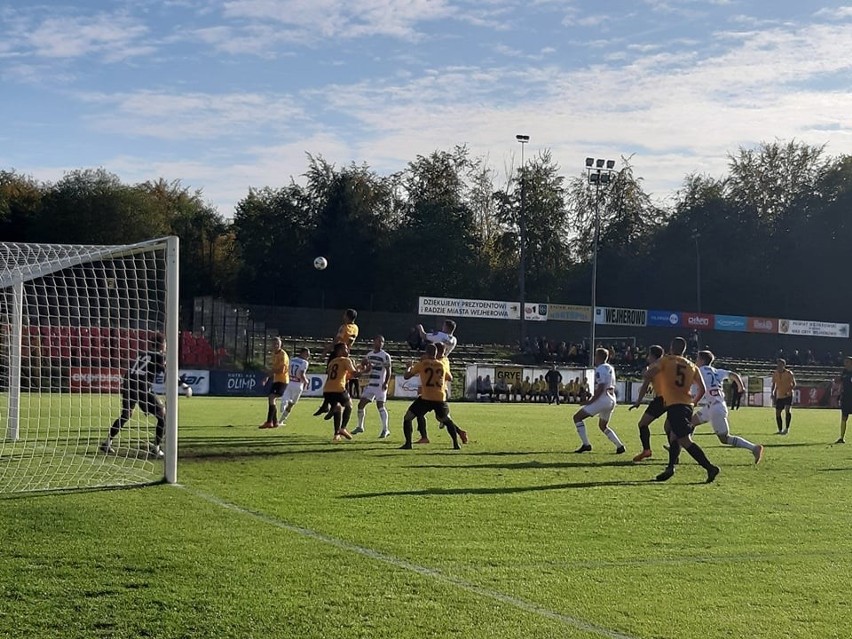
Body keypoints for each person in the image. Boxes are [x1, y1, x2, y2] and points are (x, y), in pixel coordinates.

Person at [644, 337, 719, 483]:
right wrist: (694, 402)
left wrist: (651, 370)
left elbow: (648, 374)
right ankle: (670, 467)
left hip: (675, 405)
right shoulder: (692, 365)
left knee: (685, 440)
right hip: (686, 405)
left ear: (672, 347)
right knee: (673, 436)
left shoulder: (666, 360)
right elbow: (702, 389)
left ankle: (710, 467)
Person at [100, 332, 186, 458]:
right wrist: (184, 385)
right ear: (162, 345)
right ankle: (156, 448)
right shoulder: (159, 356)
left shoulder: (142, 354)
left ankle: (107, 443)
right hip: (141, 387)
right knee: (163, 415)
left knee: (126, 415)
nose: (166, 346)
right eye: (165, 344)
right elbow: (169, 373)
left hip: (129, 384)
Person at [692, 351, 764, 463]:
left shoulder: (698, 371)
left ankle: (754, 448)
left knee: (725, 439)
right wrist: (741, 387)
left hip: (715, 409)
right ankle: (678, 447)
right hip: (714, 405)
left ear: (701, 360)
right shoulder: (717, 371)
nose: (695, 361)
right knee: (691, 422)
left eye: (697, 359)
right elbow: (734, 375)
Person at [399, 344, 461, 450]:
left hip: (426, 397)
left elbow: (406, 376)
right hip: (439, 396)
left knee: (408, 417)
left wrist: (408, 366)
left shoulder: (422, 364)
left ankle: (408, 444)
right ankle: (456, 444)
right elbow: (450, 378)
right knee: (446, 420)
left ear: (426, 353)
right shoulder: (441, 364)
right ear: (436, 354)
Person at [571, 348, 626, 454]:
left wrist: (590, 401)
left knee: (577, 417)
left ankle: (586, 445)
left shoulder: (600, 369)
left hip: (602, 399)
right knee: (603, 426)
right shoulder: (610, 368)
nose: (594, 358)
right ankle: (620, 446)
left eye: (595, 356)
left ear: (599, 357)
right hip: (611, 399)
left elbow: (601, 387)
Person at [414, 342, 467, 444]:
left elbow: (447, 376)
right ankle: (459, 433)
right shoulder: (445, 360)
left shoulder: (440, 362)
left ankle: (425, 437)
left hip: (437, 391)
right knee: (441, 417)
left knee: (425, 414)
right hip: (439, 390)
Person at [628, 345, 667, 462]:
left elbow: (645, 385)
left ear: (652, 355)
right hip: (673, 398)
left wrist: (638, 402)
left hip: (661, 399)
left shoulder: (653, 367)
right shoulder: (666, 364)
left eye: (648, 355)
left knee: (642, 424)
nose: (647, 357)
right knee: (670, 428)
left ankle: (647, 450)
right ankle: (675, 454)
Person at [353, 336, 392, 439]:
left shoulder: (385, 356)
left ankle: (385, 429)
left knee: (380, 406)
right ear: (374, 342)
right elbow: (366, 367)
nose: (380, 343)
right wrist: (362, 370)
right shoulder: (369, 355)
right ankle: (360, 426)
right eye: (378, 341)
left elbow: (389, 371)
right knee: (361, 404)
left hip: (380, 384)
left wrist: (386, 382)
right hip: (371, 384)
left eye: (382, 341)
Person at [323, 342, 359, 442]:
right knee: (349, 405)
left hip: (327, 390)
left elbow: (344, 376)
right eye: (346, 349)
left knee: (337, 408)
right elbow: (354, 374)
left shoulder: (332, 362)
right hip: (338, 388)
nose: (348, 350)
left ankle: (336, 435)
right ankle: (343, 428)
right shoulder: (346, 360)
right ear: (340, 351)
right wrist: (365, 370)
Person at [260, 337, 289, 429]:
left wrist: (269, 373)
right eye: (274, 344)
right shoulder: (274, 354)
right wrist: (268, 376)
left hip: (283, 380)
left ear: (281, 345)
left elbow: (281, 370)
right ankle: (275, 422)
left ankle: (269, 422)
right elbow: (275, 369)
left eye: (277, 344)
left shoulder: (283, 355)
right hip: (277, 380)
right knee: (272, 399)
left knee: (271, 397)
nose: (275, 345)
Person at [280, 347, 310, 424]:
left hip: (289, 382)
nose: (308, 356)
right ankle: (282, 420)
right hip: (298, 384)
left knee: (285, 398)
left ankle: (283, 404)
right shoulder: (304, 362)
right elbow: (302, 374)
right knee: (292, 404)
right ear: (302, 353)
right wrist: (306, 381)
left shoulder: (292, 360)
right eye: (307, 354)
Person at [771, 358, 796, 435]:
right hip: (780, 395)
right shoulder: (775, 374)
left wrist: (789, 391)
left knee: (787, 410)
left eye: (781, 364)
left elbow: (794, 384)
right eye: (778, 364)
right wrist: (772, 392)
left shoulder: (789, 373)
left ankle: (787, 428)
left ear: (784, 365)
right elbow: (774, 384)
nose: (779, 366)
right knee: (778, 413)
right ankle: (780, 429)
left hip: (788, 395)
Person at [836, 356, 852, 444]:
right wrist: (839, 394)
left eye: (847, 362)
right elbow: (841, 383)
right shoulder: (844, 372)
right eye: (845, 362)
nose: (845, 364)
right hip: (846, 398)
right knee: (844, 417)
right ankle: (841, 438)